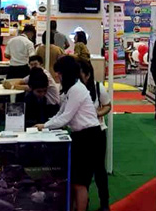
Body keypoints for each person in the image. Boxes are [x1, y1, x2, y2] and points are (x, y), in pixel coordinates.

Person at [35, 56, 103, 211]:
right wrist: (46, 124)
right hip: (81, 136)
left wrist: (44, 126)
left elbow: (65, 117)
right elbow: (61, 113)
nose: (57, 76)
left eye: (59, 73)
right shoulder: (71, 89)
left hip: (89, 137)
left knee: (80, 182)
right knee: (74, 180)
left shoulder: (77, 90)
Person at [78, 59, 111, 211]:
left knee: (99, 170)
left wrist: (98, 113)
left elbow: (108, 106)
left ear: (88, 74)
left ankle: (104, 203)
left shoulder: (98, 87)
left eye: (80, 74)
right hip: (80, 133)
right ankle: (83, 203)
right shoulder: (73, 89)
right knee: (83, 171)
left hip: (98, 132)